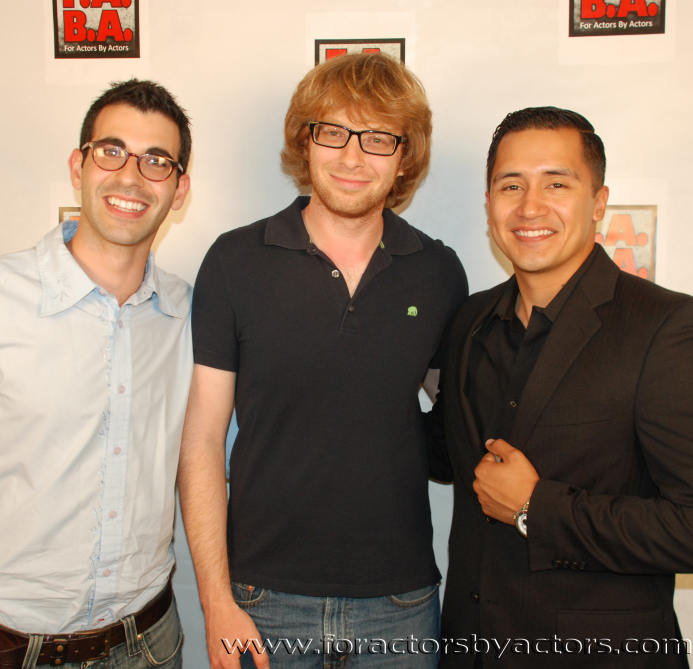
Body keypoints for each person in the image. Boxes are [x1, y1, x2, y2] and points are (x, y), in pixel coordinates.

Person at [428, 107, 693, 669]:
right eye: (511, 185)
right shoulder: (469, 321)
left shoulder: (666, 327)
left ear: (599, 203)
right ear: (489, 205)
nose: (530, 206)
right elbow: (443, 453)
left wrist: (538, 508)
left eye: (556, 183)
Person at [0, 79, 193, 669]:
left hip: (152, 644)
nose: (131, 177)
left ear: (179, 190)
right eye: (112, 151)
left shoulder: (187, 313)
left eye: (157, 161)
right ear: (78, 164)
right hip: (6, 651)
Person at [178, 52, 468, 669]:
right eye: (332, 132)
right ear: (304, 143)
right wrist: (217, 601)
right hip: (261, 602)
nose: (353, 156)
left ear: (404, 155)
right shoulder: (235, 262)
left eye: (378, 137)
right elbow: (201, 440)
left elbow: (457, 416)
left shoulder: (439, 274)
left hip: (400, 602)